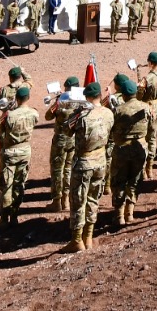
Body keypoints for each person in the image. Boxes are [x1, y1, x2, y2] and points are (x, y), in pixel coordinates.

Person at [63, 82, 113, 252]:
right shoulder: (108, 113)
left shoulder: (81, 116)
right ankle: (89, 237)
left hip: (84, 162)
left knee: (78, 200)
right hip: (101, 160)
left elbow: (66, 130)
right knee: (93, 198)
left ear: (87, 97)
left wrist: (76, 112)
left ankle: (77, 240)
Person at [108, 74, 149, 224]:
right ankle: (130, 212)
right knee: (135, 180)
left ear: (123, 95)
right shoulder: (146, 107)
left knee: (118, 181)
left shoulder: (118, 110)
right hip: (140, 148)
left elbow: (111, 129)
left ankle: (119, 215)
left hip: (122, 149)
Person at [0, 86, 37, 226]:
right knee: (19, 184)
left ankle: (4, 219)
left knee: (6, 185)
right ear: (28, 98)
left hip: (10, 151)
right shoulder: (34, 113)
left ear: (17, 99)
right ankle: (14, 216)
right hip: (25, 151)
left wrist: (6, 112)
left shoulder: (10, 115)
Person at [45, 76, 82, 211]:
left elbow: (48, 116)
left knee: (57, 170)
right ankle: (66, 199)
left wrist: (58, 100)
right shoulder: (81, 101)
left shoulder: (61, 102)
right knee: (68, 169)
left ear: (66, 87)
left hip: (60, 140)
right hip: (73, 139)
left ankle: (57, 201)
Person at [136, 53, 157, 180]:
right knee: (153, 138)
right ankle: (150, 168)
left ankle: (143, 169)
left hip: (147, 107)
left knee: (144, 138)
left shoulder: (147, 78)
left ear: (150, 62)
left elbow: (139, 97)